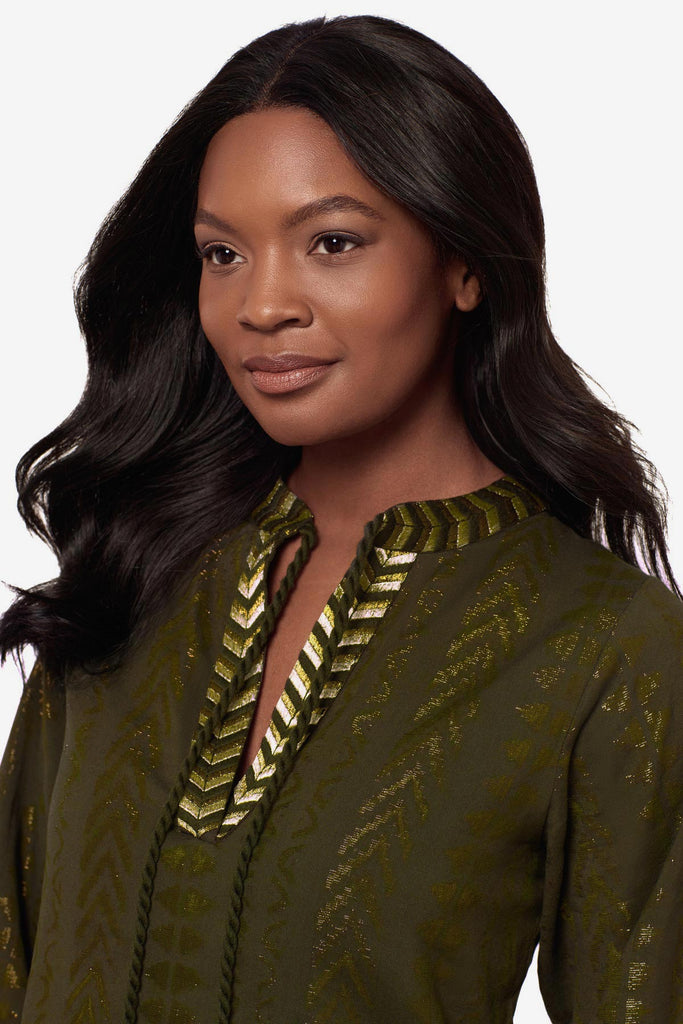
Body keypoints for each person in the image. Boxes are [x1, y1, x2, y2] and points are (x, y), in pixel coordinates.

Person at [0, 12, 680, 1024]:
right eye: (221, 254)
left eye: (331, 242)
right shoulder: (133, 571)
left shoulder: (603, 643)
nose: (261, 304)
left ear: (463, 263)